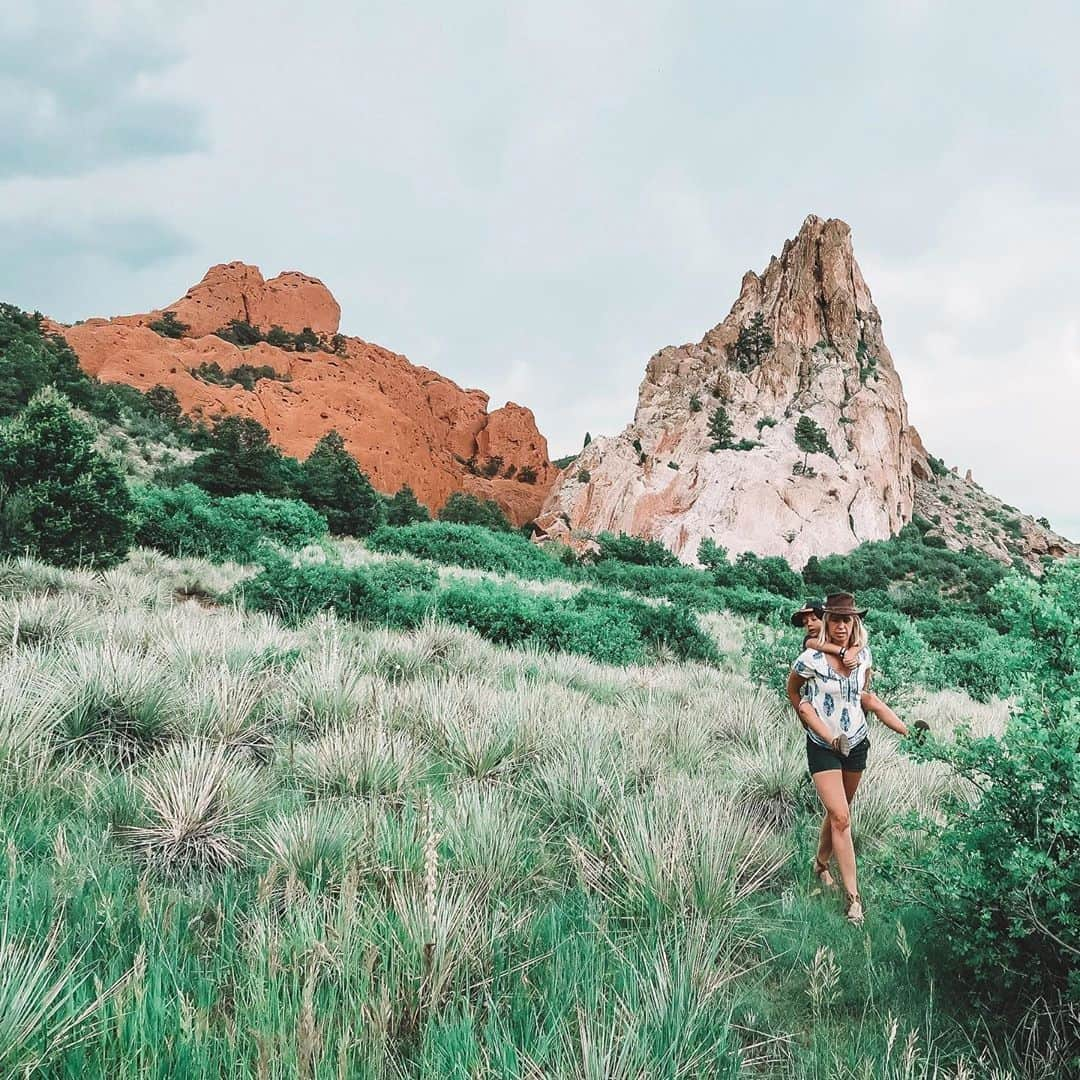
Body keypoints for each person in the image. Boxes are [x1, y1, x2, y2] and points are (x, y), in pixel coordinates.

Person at [785, 592, 911, 925]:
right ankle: (854, 900)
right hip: (824, 745)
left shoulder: (864, 656)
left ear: (855, 622)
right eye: (836, 619)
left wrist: (898, 724)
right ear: (827, 621)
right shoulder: (810, 659)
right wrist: (805, 715)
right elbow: (792, 689)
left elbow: (863, 695)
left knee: (838, 813)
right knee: (841, 817)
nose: (842, 625)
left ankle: (820, 866)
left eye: (848, 619)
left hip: (856, 742)